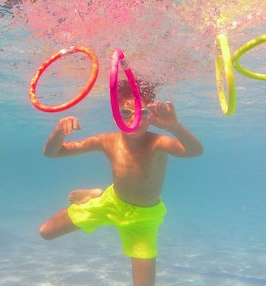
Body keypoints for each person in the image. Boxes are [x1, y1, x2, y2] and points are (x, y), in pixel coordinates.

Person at [39, 79, 203, 286]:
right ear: (116, 114)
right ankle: (97, 194)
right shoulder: (106, 141)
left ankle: (95, 193)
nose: (135, 119)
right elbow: (52, 153)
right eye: (126, 113)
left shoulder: (158, 142)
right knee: (45, 232)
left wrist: (176, 127)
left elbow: (195, 151)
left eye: (142, 113)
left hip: (143, 219)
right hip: (111, 202)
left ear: (151, 116)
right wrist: (59, 132)